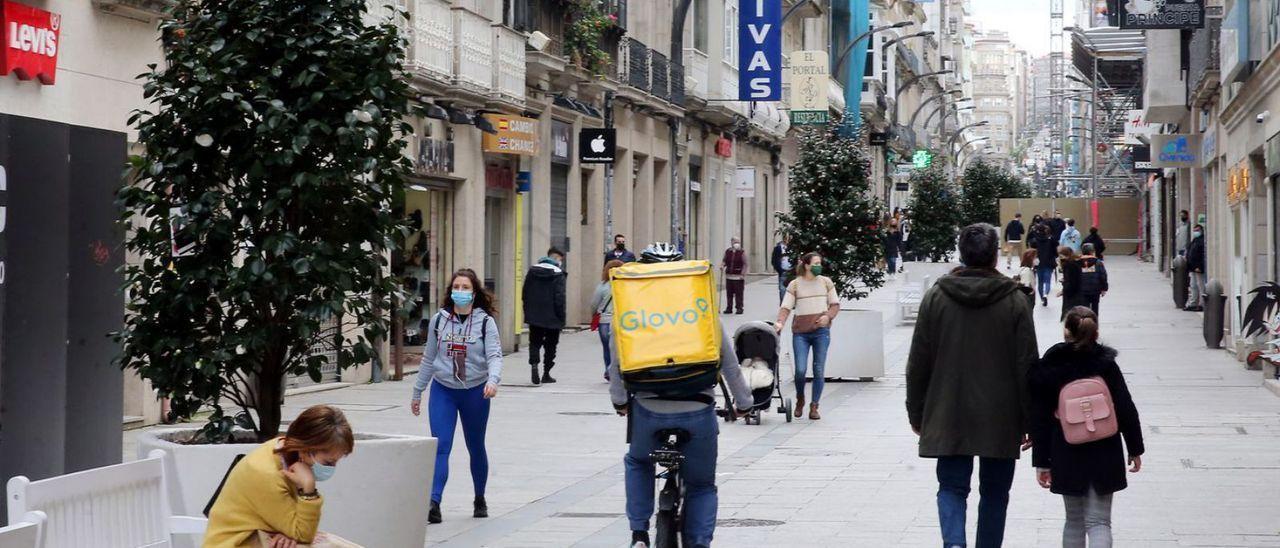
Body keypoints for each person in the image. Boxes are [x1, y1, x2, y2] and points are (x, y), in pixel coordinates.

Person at [609, 242, 754, 548]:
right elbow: (729, 363)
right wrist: (744, 404)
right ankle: (699, 542)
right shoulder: (701, 313)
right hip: (697, 409)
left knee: (638, 462)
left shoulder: (630, 315)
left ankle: (638, 534)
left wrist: (620, 401)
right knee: (701, 485)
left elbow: (618, 364)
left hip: (648, 408)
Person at [905, 223, 1038, 548]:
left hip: (948, 409)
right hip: (1000, 414)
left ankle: (954, 544)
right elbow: (1028, 366)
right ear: (994, 256)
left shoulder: (936, 297)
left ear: (962, 254)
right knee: (995, 491)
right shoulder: (1015, 302)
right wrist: (1031, 419)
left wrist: (917, 412)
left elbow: (917, 362)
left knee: (951, 487)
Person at [1030, 306, 1144, 548]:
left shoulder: (1050, 366)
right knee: (1099, 521)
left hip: (1066, 449)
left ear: (1066, 331)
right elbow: (1124, 406)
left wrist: (1041, 461)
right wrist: (1135, 448)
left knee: (1074, 521)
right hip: (1106, 448)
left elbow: (1040, 417)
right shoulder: (1106, 364)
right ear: (1095, 332)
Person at [410, 269, 503, 524]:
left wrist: (493, 381)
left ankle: (480, 497)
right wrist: (418, 391)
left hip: (475, 391)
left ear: (474, 293)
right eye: (456, 287)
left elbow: (494, 355)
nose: (460, 292)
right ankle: (434, 501)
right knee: (440, 446)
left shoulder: (485, 322)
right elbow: (429, 358)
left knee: (476, 446)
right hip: (444, 390)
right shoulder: (439, 321)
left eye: (465, 287)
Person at [204, 405, 355, 548]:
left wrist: (288, 531)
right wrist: (309, 489)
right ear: (306, 449)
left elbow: (294, 527)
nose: (332, 468)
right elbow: (304, 535)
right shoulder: (267, 473)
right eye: (328, 462)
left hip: (260, 537)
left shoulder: (283, 449)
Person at [776, 252, 840, 420]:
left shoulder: (826, 282)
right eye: (815, 263)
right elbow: (786, 308)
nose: (819, 266)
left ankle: (814, 406)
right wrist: (780, 322)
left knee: (818, 370)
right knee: (800, 370)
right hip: (801, 334)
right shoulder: (795, 284)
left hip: (821, 332)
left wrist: (828, 317)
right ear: (806, 265)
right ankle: (800, 399)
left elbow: (834, 305)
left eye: (820, 263)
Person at [523, 248, 567, 385]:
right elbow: (560, 297)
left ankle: (534, 364)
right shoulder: (558, 274)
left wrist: (528, 311)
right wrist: (562, 317)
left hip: (534, 314)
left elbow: (525, 292)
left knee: (534, 342)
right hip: (553, 316)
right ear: (556, 258)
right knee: (551, 345)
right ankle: (546, 373)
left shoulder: (532, 271)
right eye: (560, 259)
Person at [592, 259, 624, 381]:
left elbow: (594, 304)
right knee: (621, 349)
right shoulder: (626, 284)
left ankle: (609, 371)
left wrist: (594, 314)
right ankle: (621, 370)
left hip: (605, 321)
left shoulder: (603, 286)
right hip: (622, 321)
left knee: (607, 348)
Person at [1030, 223, 1058, 307]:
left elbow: (1031, 250)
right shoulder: (1051, 239)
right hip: (1048, 262)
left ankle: (1042, 298)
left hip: (1038, 263)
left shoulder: (1034, 240)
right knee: (1047, 280)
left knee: (1040, 282)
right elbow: (1055, 251)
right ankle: (1046, 294)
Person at [1079, 243, 1109, 317]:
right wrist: (1104, 288)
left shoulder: (1077, 263)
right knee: (1095, 308)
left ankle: (1085, 323)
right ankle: (1094, 324)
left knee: (1084, 309)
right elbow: (1103, 276)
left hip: (1082, 290)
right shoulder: (1098, 263)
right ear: (1092, 252)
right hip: (1095, 290)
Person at [721, 237, 746, 315]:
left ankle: (739, 308)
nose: (736, 243)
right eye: (735, 242)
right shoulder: (728, 251)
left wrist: (743, 274)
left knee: (739, 293)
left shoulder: (742, 252)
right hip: (729, 275)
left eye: (738, 242)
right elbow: (724, 260)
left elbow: (745, 264)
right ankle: (729, 307)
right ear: (731, 242)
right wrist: (722, 265)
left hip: (738, 276)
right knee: (729, 293)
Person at [1059, 246, 1083, 321]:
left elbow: (1071, 281)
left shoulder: (1069, 265)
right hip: (1078, 294)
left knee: (1069, 316)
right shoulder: (1076, 263)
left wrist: (1064, 286)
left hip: (1071, 296)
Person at [1186, 224, 1206, 311]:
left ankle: (1202, 304)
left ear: (1201, 231)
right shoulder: (1195, 240)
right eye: (1194, 230)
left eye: (1197, 230)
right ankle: (1193, 303)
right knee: (1193, 285)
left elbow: (1202, 255)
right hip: (1192, 267)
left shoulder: (1202, 240)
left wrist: (1199, 266)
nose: (1195, 232)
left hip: (1198, 268)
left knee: (1200, 285)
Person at [771, 235, 793, 304]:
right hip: (783, 271)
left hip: (792, 271)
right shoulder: (778, 248)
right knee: (782, 289)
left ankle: (790, 303)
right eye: (787, 239)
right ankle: (784, 305)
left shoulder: (792, 248)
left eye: (789, 239)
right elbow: (774, 260)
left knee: (792, 288)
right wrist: (779, 270)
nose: (788, 241)